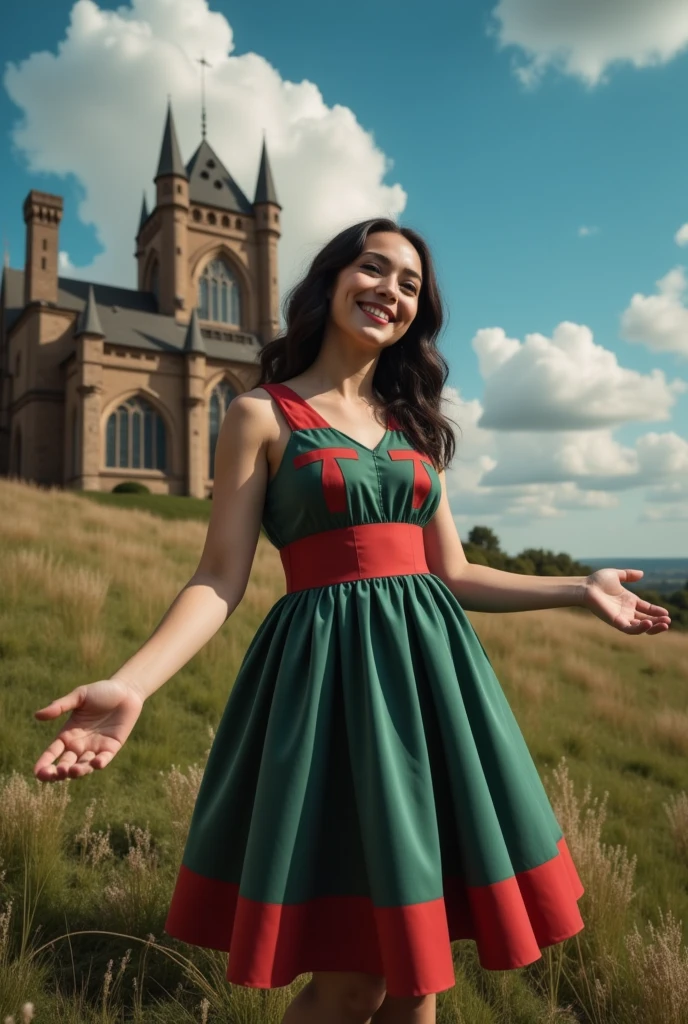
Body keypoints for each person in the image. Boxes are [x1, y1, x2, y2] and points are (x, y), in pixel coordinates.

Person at [33, 217, 672, 1024]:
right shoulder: (261, 415)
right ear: (331, 280)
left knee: (419, 974)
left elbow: (455, 571)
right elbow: (219, 578)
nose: (391, 291)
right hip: (331, 693)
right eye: (374, 269)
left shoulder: (415, 428)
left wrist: (579, 590)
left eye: (410, 285)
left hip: (435, 691)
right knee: (349, 980)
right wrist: (132, 684)